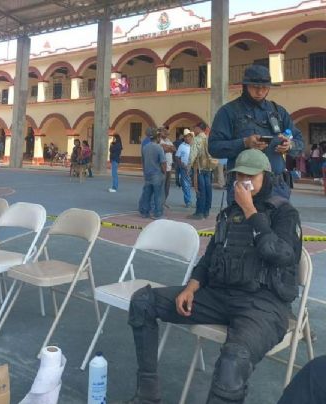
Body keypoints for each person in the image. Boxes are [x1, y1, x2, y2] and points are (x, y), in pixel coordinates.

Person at [126, 149, 302, 404]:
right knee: (143, 302)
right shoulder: (230, 213)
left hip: (263, 304)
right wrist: (191, 287)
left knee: (233, 361)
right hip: (218, 295)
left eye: (251, 175)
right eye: (239, 175)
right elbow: (210, 259)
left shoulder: (284, 213)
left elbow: (282, 255)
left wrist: (252, 212)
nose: (244, 181)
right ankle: (147, 394)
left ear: (266, 176)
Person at [209, 64, 304, 201]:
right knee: (245, 222)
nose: (260, 92)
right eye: (255, 87)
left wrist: (290, 145)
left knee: (280, 222)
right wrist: (244, 143)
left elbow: (300, 141)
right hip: (245, 187)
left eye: (264, 88)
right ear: (245, 86)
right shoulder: (228, 112)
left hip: (276, 188)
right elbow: (214, 147)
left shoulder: (279, 112)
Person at [189, 122, 216, 220]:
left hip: (199, 168)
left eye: (195, 127)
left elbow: (193, 155)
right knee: (208, 190)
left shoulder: (196, 139)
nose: (194, 130)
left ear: (198, 128)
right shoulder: (209, 139)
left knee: (200, 190)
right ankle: (206, 211)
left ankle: (199, 212)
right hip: (208, 168)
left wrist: (189, 167)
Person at [138, 128, 166, 219]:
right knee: (158, 195)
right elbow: (163, 162)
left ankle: (145, 212)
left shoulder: (145, 147)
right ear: (157, 138)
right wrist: (164, 172)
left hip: (148, 173)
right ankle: (157, 213)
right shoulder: (159, 148)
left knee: (147, 194)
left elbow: (143, 160)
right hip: (157, 173)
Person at [175, 129, 194, 208]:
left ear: (191, 137)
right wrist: (182, 166)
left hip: (194, 168)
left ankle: (196, 201)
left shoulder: (194, 145)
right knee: (186, 186)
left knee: (193, 185)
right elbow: (177, 157)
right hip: (184, 168)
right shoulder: (182, 146)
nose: (187, 138)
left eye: (188, 136)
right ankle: (188, 201)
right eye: (185, 137)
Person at [158, 127, 175, 209]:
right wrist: (168, 148)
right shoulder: (159, 140)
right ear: (160, 132)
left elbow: (174, 149)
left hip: (169, 167)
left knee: (167, 186)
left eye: (166, 132)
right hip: (162, 167)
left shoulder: (168, 140)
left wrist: (168, 147)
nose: (165, 133)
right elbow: (163, 149)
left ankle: (164, 201)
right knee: (162, 186)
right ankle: (159, 203)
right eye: (164, 132)